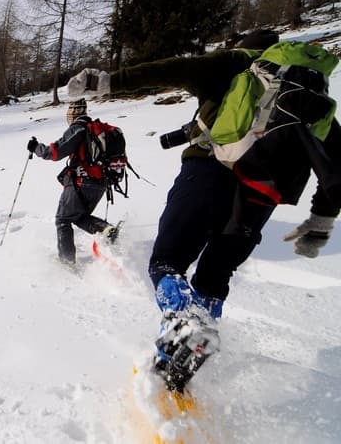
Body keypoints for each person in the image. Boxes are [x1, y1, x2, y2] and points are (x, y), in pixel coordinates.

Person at [66, 29, 341, 391]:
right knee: (214, 279)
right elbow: (338, 165)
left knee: (167, 262)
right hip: (261, 195)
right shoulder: (312, 100)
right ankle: (177, 371)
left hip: (209, 173)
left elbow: (172, 69)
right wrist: (320, 221)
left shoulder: (236, 64)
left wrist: (107, 81)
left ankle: (181, 320)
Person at [26, 98, 118, 265]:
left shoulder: (78, 128)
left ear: (73, 114)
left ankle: (67, 262)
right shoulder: (98, 130)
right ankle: (105, 230)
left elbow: (54, 152)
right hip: (101, 183)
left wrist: (36, 148)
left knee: (62, 220)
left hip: (81, 183)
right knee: (78, 216)